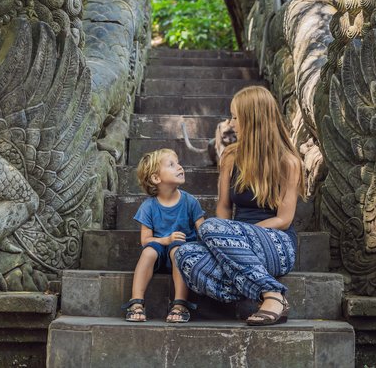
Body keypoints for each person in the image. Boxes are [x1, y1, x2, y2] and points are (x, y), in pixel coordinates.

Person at [175, 86, 304, 326]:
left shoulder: (289, 161)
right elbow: (224, 208)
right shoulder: (230, 157)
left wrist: (235, 237)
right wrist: (227, 239)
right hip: (233, 242)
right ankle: (260, 290)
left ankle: (273, 295)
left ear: (252, 118)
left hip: (277, 243)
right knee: (184, 254)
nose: (231, 123)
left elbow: (284, 219)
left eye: (235, 117)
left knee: (210, 227)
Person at [122, 149, 205, 323]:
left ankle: (180, 304)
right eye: (172, 164)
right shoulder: (149, 206)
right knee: (149, 251)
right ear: (156, 178)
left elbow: (204, 233)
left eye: (178, 162)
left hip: (183, 256)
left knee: (176, 249)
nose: (180, 167)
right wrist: (164, 240)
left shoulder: (190, 202)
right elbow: (145, 240)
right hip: (159, 253)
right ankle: (136, 302)